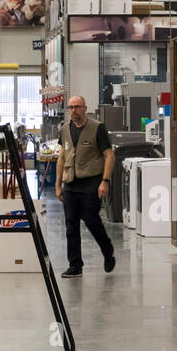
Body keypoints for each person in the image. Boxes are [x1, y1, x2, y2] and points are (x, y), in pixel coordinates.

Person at [54, 94, 116, 277]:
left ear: (85, 108)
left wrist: (105, 181)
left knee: (91, 220)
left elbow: (109, 155)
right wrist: (58, 185)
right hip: (70, 184)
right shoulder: (64, 130)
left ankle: (107, 250)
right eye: (71, 108)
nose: (74, 111)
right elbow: (61, 157)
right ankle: (75, 266)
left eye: (77, 107)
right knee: (71, 226)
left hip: (91, 183)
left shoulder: (98, 128)